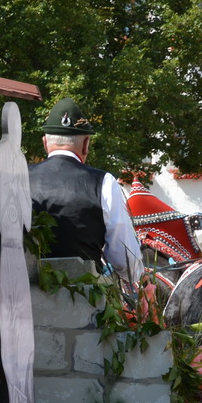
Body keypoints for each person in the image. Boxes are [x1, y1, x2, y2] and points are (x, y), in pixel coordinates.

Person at [26, 98, 142, 283]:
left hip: (23, 295)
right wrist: (135, 277)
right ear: (86, 143)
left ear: (45, 142)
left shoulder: (17, 177)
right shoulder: (103, 182)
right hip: (86, 300)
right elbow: (125, 258)